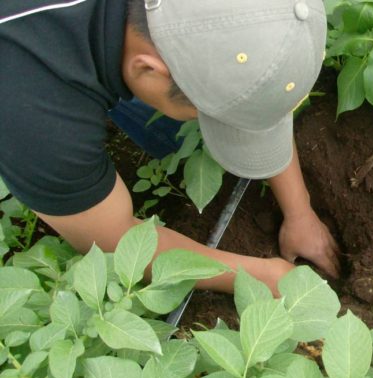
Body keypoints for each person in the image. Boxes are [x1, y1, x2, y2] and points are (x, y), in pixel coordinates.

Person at [0, 0, 340, 295]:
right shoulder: (33, 118)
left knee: (174, 125)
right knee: (175, 133)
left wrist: (300, 211)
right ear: (147, 68)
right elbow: (116, 239)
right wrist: (261, 277)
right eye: (205, 113)